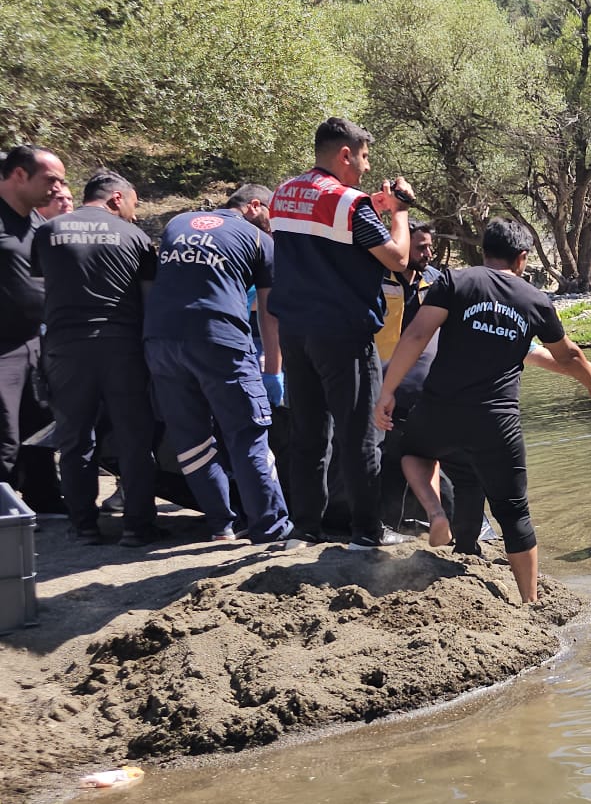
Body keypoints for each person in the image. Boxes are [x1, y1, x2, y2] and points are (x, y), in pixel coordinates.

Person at [374, 221, 591, 603]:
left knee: (417, 454)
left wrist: (387, 391)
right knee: (513, 512)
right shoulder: (535, 300)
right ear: (521, 258)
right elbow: (567, 354)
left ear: (484, 251)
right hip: (496, 421)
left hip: (440, 411)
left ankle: (448, 527)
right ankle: (530, 602)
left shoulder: (454, 282)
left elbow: (416, 336)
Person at [267, 116, 414, 549]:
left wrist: (375, 204)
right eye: (365, 157)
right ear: (345, 154)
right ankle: (367, 532)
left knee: (309, 434)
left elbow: (321, 223)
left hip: (295, 331)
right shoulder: (351, 204)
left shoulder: (283, 193)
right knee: (359, 434)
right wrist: (400, 213)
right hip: (343, 335)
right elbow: (398, 260)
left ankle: (305, 528)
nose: (367, 167)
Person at [144, 184, 297, 547]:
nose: (273, 225)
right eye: (271, 216)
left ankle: (221, 525)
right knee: (247, 435)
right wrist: (273, 370)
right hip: (220, 341)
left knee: (192, 439)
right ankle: (271, 529)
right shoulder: (260, 241)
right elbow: (269, 315)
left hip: (160, 341)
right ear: (255, 205)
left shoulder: (176, 223)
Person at [30, 168, 160, 544]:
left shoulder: (48, 232)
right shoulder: (134, 236)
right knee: (135, 437)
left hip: (65, 348)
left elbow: (41, 289)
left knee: (74, 439)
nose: (134, 213)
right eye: (133, 204)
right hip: (122, 347)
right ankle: (137, 526)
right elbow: (148, 302)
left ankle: (83, 524)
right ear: (117, 198)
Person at [0, 145, 65, 513]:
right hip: (2, 347)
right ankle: (5, 509)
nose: (58, 188)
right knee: (5, 434)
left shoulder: (38, 224)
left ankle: (44, 499)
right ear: (19, 175)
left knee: (40, 424)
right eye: (51, 179)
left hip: (36, 340)